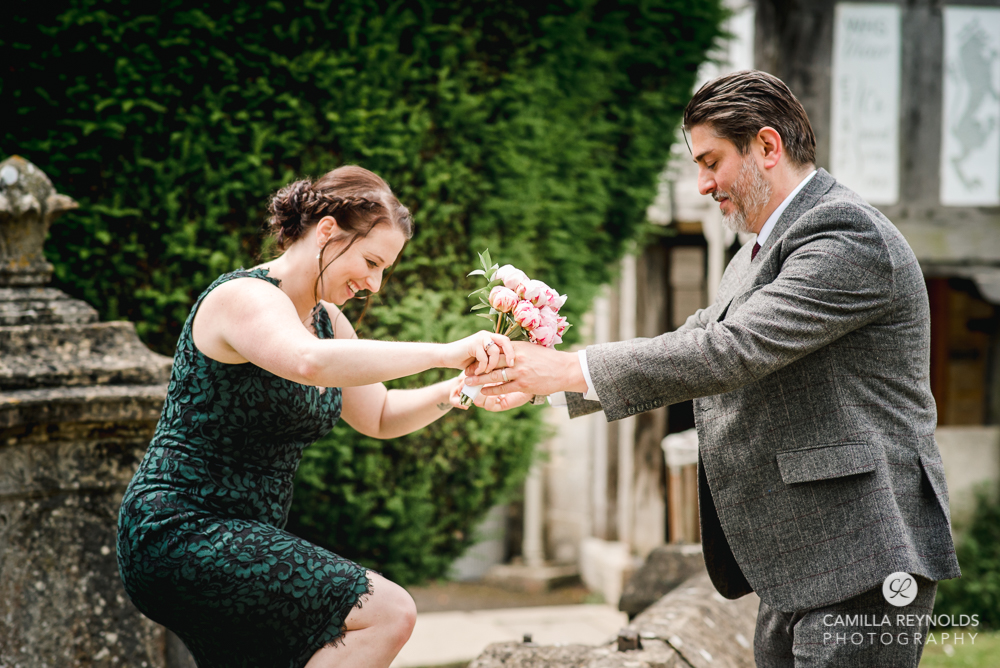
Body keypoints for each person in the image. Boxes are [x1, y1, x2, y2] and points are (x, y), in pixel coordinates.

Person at [466, 70, 961, 667]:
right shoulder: (759, 247)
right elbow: (694, 337)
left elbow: (731, 350)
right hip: (797, 552)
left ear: (768, 147)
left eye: (711, 161)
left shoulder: (845, 235)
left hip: (861, 548)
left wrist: (567, 369)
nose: (702, 183)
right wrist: (544, 382)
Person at [117, 165, 514, 668]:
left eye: (385, 269)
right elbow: (308, 362)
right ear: (326, 230)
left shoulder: (329, 322)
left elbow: (381, 414)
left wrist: (464, 388)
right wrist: (445, 351)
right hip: (179, 529)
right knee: (389, 613)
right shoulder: (244, 297)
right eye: (372, 261)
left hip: (245, 536)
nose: (375, 282)